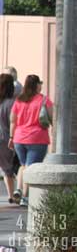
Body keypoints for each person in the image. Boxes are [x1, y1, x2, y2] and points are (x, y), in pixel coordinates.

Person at [9, 75, 52, 207]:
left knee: (23, 165)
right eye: (40, 83)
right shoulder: (44, 100)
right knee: (31, 167)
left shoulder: (19, 100)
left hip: (19, 138)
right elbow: (52, 117)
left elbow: (12, 121)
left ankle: (18, 189)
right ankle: (25, 197)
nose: (41, 86)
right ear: (36, 85)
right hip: (37, 137)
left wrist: (11, 137)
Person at [0, 74, 17, 203]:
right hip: (6, 139)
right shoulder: (12, 103)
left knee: (7, 169)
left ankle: (12, 195)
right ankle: (12, 195)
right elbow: (14, 122)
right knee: (8, 169)